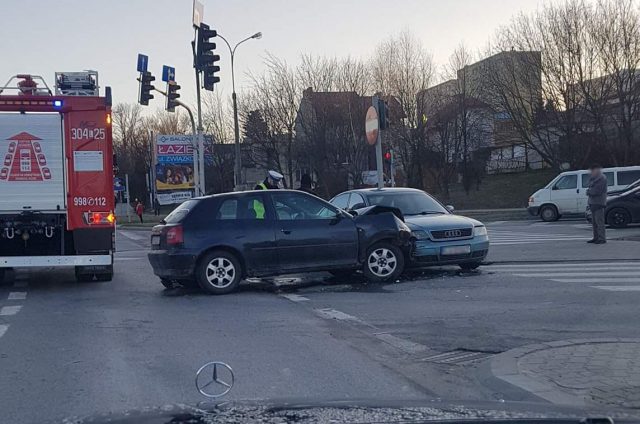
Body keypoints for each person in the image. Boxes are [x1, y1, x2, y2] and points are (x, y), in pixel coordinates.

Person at [586, 164, 607, 244]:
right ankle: (596, 237)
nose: (591, 172)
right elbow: (589, 185)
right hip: (593, 202)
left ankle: (602, 238)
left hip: (599, 202)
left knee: (599, 222)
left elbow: (597, 191)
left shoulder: (602, 178)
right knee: (594, 222)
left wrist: (589, 191)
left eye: (592, 170)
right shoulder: (593, 178)